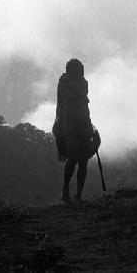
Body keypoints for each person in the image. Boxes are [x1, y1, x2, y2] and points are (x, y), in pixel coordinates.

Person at [54, 59, 93, 203]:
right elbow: (68, 100)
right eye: (79, 69)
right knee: (74, 157)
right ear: (73, 70)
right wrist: (77, 93)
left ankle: (78, 194)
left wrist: (76, 91)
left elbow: (82, 95)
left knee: (83, 160)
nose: (82, 72)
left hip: (84, 123)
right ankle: (65, 190)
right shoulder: (63, 83)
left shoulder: (82, 82)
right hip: (68, 124)